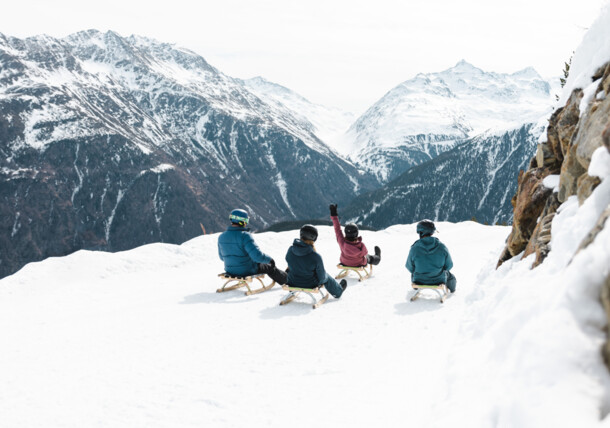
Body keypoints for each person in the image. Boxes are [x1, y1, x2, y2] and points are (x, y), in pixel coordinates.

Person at [218, 209, 287, 284]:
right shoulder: (245, 236)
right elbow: (257, 257)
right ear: (243, 221)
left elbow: (222, 257)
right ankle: (287, 280)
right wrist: (270, 260)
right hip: (246, 270)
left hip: (229, 270)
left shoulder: (221, 236)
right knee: (270, 267)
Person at [285, 224, 347, 298]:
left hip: (292, 282)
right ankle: (338, 291)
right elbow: (322, 278)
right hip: (310, 284)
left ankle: (292, 290)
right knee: (325, 276)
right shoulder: (316, 256)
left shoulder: (290, 250)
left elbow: (290, 264)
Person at [405, 219, 456, 293]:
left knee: (413, 273)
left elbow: (409, 267)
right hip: (439, 280)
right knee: (450, 276)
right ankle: (453, 291)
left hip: (418, 280)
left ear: (421, 233)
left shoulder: (414, 248)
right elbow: (449, 266)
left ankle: (416, 288)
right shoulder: (442, 247)